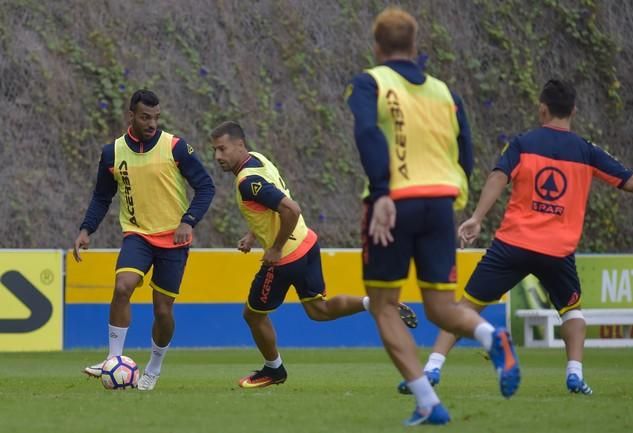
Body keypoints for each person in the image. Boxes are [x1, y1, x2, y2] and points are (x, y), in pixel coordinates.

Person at [409, 78, 633, 397]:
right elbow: (630, 181)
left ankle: (432, 369)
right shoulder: (586, 150)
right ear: (574, 110)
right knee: (573, 313)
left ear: (542, 108)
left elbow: (498, 176)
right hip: (557, 251)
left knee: (465, 307)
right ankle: (575, 374)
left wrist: (477, 218)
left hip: (513, 244)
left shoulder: (524, 142)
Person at [346, 6, 520, 426]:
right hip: (440, 203)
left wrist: (384, 192)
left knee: (385, 306)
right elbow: (468, 150)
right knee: (441, 306)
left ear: (376, 46)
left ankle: (427, 402)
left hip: (394, 203)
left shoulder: (370, 82)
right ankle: (489, 334)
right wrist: (452, 188)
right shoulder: (446, 92)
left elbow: (368, 133)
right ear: (415, 45)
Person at [210, 121, 418, 389]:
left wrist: (274, 248)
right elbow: (272, 205)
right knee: (319, 310)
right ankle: (374, 303)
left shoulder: (247, 182)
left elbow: (291, 209)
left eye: (222, 149)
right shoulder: (258, 160)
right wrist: (253, 235)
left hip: (285, 257)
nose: (217, 157)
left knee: (253, 315)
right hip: (307, 243)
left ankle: (274, 371)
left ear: (239, 145)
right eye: (215, 150)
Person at [73, 89, 215, 391]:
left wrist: (188, 222)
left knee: (163, 310)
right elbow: (102, 196)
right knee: (122, 286)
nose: (151, 123)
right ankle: (113, 359)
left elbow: (206, 187)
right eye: (145, 117)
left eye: (156, 117)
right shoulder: (112, 153)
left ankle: (154, 367)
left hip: (173, 239)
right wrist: (86, 229)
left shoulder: (175, 147)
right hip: (137, 235)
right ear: (131, 116)